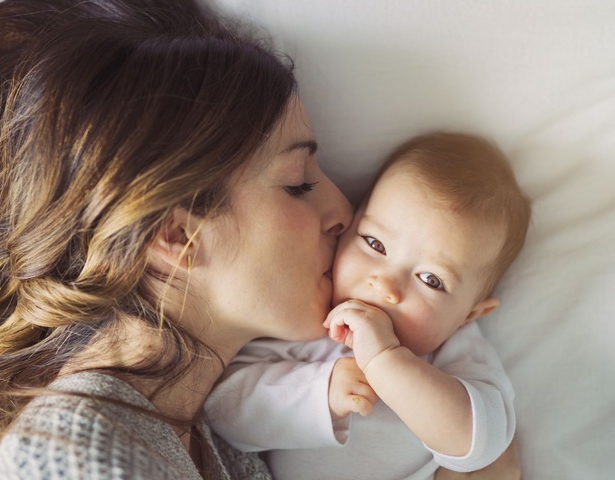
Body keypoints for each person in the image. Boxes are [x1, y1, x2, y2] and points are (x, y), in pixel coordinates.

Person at [0, 0, 522, 478]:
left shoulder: (213, 437)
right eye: (299, 183)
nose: (345, 212)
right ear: (175, 235)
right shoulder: (75, 458)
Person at [206, 131, 532, 480]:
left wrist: (387, 361)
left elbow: (482, 443)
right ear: (345, 232)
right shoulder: (305, 323)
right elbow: (224, 413)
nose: (385, 285)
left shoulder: (457, 353)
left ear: (469, 315)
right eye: (375, 244)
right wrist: (321, 393)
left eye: (431, 280)